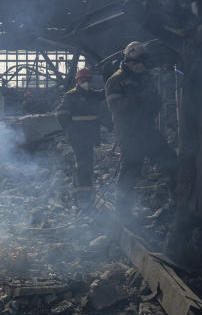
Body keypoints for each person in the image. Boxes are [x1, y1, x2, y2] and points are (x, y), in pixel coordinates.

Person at [104, 41, 177, 220]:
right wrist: (139, 98)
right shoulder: (116, 80)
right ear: (129, 61)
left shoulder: (145, 78)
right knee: (130, 171)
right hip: (130, 134)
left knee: (172, 164)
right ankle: (122, 214)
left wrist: (151, 101)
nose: (142, 65)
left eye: (144, 62)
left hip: (148, 131)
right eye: (139, 61)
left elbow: (156, 103)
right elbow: (117, 106)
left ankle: (177, 205)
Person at [56, 67, 109, 206]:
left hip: (90, 135)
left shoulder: (93, 94)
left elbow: (106, 93)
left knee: (87, 163)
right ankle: (83, 197)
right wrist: (70, 130)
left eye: (88, 79)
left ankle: (85, 191)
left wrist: (110, 75)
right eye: (82, 80)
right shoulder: (71, 96)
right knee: (83, 164)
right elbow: (61, 114)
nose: (85, 82)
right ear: (77, 81)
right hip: (78, 136)